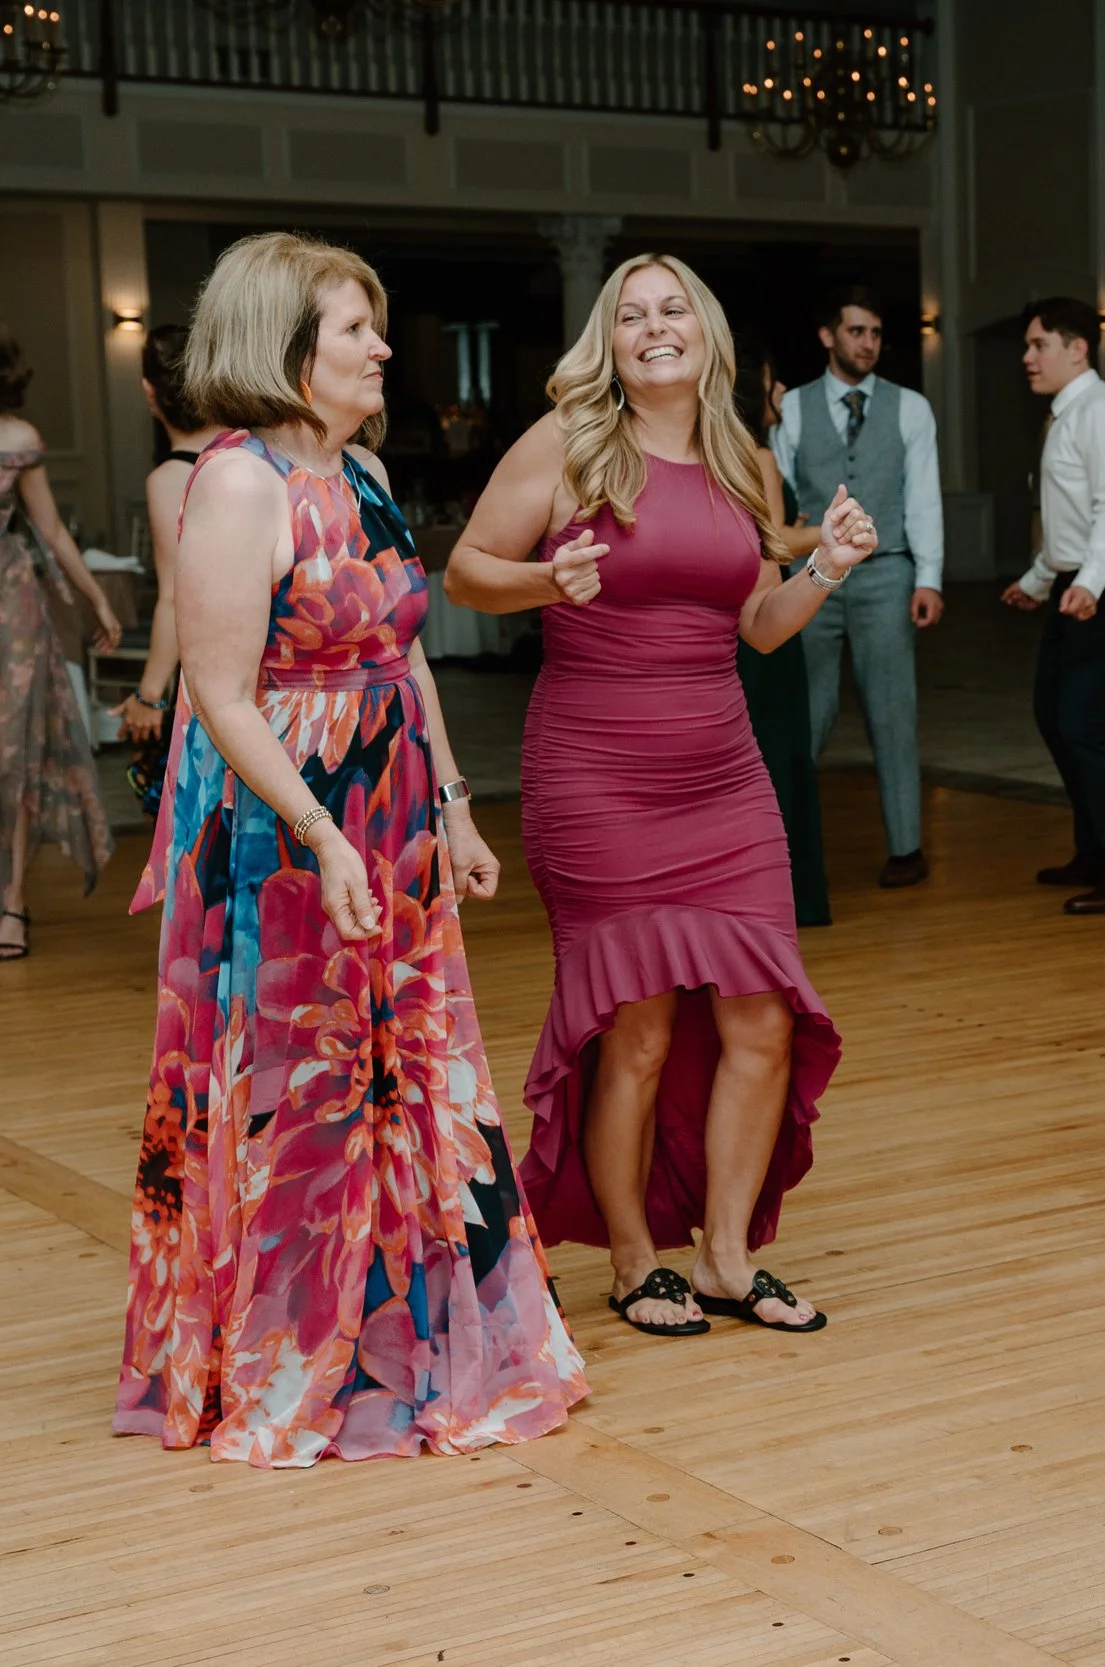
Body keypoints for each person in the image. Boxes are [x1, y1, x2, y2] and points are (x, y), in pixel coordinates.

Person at [114, 232, 583, 1463]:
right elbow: (220, 694)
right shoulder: (236, 484)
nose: (384, 346)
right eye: (355, 330)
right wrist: (321, 836)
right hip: (286, 821)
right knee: (304, 1086)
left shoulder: (365, 468)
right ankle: (294, 1356)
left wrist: (460, 806)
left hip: (393, 799)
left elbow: (408, 649)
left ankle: (415, 1341)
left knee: (412, 1068)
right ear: (284, 349)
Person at [447, 253, 879, 1338]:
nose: (653, 326)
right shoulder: (571, 444)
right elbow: (461, 571)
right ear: (610, 340)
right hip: (596, 769)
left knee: (762, 1018)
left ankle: (728, 1256)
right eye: (630, 314)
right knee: (634, 1028)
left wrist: (823, 564)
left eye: (671, 308)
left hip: (724, 774)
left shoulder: (743, 458)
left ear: (705, 329)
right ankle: (637, 1258)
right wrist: (550, 577)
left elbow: (757, 627)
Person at [1002, 297, 1105, 916]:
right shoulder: (1066, 415)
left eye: (1037, 344)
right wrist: (1040, 579)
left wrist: (1091, 584)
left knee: (1082, 722)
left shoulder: (1103, 413)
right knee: (1054, 714)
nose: (1027, 358)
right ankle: (1096, 852)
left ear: (1077, 348)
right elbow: (1068, 525)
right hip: (1082, 582)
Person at [771, 284, 944, 890]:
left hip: (888, 569)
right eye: (856, 332)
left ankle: (906, 846)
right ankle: (783, 849)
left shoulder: (911, 407)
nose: (868, 344)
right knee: (808, 710)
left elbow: (923, 497)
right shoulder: (790, 408)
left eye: (875, 334)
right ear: (828, 336)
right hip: (811, 574)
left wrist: (930, 577)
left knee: (893, 711)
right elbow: (782, 505)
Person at [0, 332, 119, 961]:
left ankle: (13, 902)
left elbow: (50, 530)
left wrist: (96, 598)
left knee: (12, 758)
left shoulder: (18, 439)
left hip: (10, 606)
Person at [735, 349, 831, 927]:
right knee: (778, 753)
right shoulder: (760, 455)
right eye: (773, 379)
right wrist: (832, 531)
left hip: (745, 620)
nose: (782, 388)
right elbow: (772, 544)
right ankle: (786, 896)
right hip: (767, 618)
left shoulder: (726, 454)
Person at [112, 324, 224, 820]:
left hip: (212, 666)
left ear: (149, 391)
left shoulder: (170, 478)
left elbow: (176, 597)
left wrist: (149, 695)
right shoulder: (255, 454)